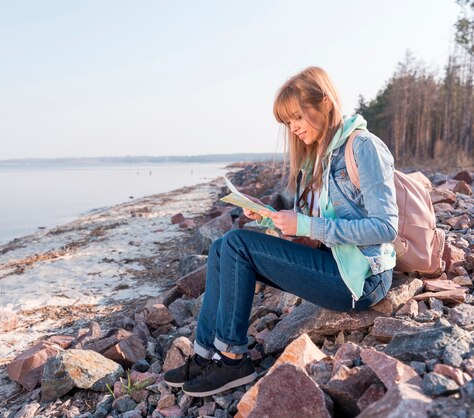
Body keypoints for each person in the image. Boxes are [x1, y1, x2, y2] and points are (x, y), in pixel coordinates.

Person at [163, 66, 398, 398]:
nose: (294, 127)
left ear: (326, 104)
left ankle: (232, 362)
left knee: (237, 244)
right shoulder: (316, 157)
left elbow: (386, 226)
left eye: (297, 117)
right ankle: (205, 355)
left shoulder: (363, 147)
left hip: (362, 280)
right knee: (221, 248)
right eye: (287, 122)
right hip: (331, 263)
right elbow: (310, 222)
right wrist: (268, 212)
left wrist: (305, 225)